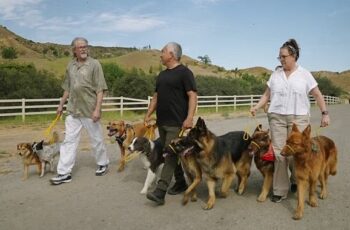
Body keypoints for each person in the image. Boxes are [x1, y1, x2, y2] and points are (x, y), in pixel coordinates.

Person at [250, 38, 330, 202]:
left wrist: (325, 113)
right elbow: (267, 94)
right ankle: (280, 189)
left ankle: (296, 179)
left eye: (284, 56)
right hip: (277, 117)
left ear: (293, 56)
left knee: (297, 152)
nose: (281, 59)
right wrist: (257, 106)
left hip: (298, 117)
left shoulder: (305, 74)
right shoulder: (275, 75)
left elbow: (317, 95)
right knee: (280, 153)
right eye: (279, 57)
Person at [50, 37, 109, 185]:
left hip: (90, 110)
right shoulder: (70, 65)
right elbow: (67, 88)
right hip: (73, 110)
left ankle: (103, 163)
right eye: (80, 47)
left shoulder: (95, 65)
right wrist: (60, 105)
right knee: (69, 141)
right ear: (74, 50)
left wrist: (97, 109)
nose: (83, 49)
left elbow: (100, 89)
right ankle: (64, 173)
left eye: (85, 46)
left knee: (96, 139)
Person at [144, 42, 197, 205]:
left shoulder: (185, 73)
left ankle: (160, 191)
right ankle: (181, 182)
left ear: (172, 55)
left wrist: (189, 117)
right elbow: (156, 97)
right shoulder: (161, 75)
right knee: (172, 152)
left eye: (163, 52)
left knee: (170, 154)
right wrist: (148, 114)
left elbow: (192, 95)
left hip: (177, 122)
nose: (161, 54)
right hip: (162, 122)